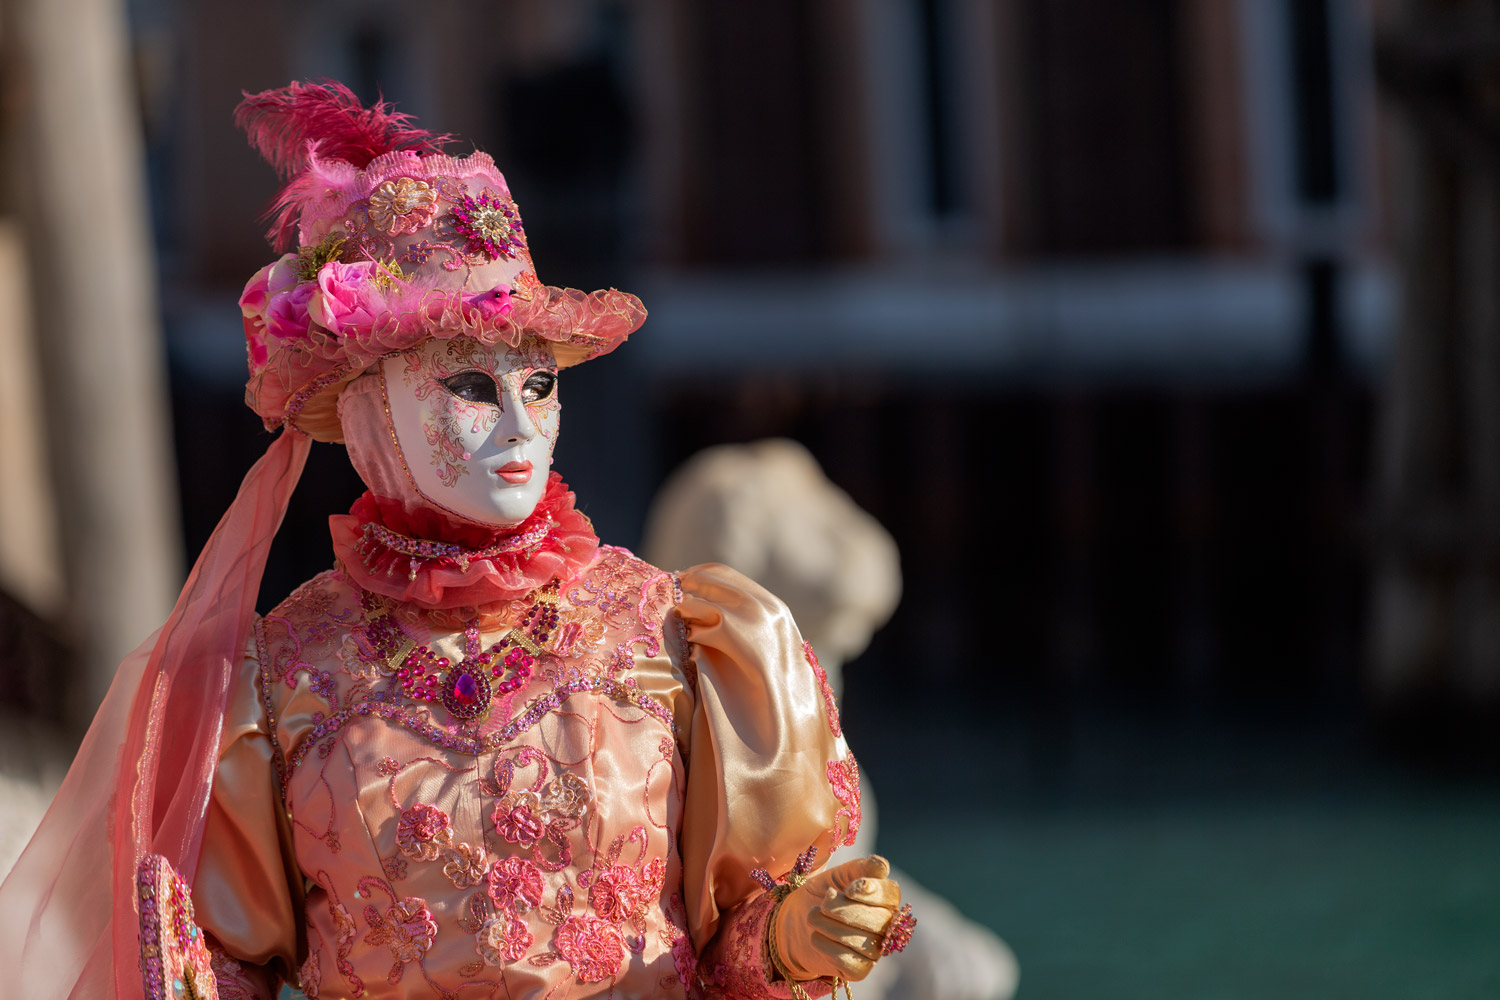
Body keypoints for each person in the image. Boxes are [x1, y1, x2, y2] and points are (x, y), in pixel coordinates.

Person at [0, 82, 912, 1000]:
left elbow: (736, 942)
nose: (520, 425)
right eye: (472, 388)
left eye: (540, 385)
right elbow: (237, 962)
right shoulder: (275, 681)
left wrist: (796, 934)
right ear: (371, 411)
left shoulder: (677, 637)